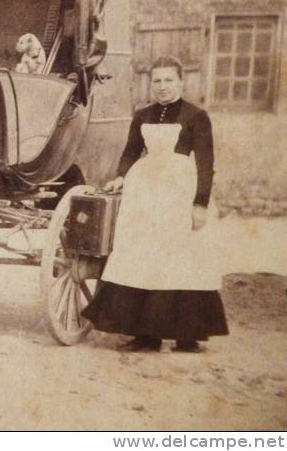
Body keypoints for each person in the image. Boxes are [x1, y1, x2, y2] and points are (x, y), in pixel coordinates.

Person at [81, 56, 228, 353]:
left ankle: (187, 335)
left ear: (181, 82)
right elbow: (131, 151)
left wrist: (200, 204)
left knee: (180, 259)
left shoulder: (196, 116)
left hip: (178, 193)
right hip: (145, 194)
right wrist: (120, 177)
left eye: (168, 80)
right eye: (157, 81)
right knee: (142, 257)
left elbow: (205, 163)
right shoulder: (142, 115)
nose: (162, 87)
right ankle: (147, 335)